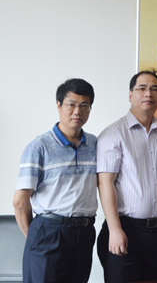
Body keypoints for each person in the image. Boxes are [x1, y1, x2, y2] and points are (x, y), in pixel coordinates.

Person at [13, 79, 97, 283]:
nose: (77, 111)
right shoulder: (39, 147)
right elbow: (20, 202)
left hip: (84, 232)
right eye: (71, 104)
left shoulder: (95, 144)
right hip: (49, 231)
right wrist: (36, 239)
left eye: (84, 105)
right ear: (58, 105)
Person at [96, 69, 157, 283]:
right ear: (130, 95)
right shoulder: (113, 133)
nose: (148, 94)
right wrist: (115, 229)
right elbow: (105, 184)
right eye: (142, 88)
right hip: (125, 229)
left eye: (154, 89)